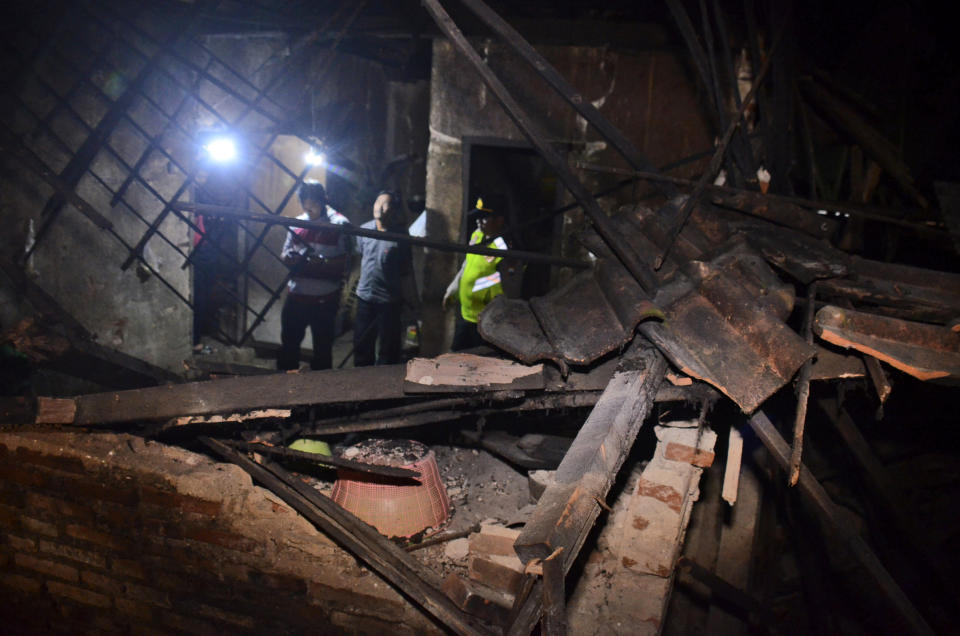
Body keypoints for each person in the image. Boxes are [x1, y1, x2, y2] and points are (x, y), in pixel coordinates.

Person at [277, 181, 350, 371]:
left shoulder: (339, 225)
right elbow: (284, 253)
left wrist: (324, 263)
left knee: (323, 349)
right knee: (289, 346)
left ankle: (320, 393)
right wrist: (290, 259)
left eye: (314, 206)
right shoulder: (298, 223)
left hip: (324, 301)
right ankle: (285, 389)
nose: (310, 211)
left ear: (323, 201)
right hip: (296, 296)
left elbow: (349, 262)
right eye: (306, 207)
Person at [352, 190, 415, 366]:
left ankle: (383, 385)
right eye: (377, 202)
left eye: (384, 203)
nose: (379, 207)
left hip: (389, 302)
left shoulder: (400, 236)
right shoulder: (363, 230)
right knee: (362, 345)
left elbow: (405, 269)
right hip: (365, 298)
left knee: (388, 349)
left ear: (393, 210)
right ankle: (361, 382)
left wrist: (408, 299)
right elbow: (360, 255)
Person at [443, 196, 509, 351]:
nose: (479, 222)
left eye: (484, 218)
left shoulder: (503, 248)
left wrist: (479, 290)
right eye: (478, 218)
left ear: (499, 220)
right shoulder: (477, 235)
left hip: (486, 320)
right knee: (457, 355)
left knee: (480, 360)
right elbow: (467, 265)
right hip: (466, 314)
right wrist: (452, 290)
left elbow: (508, 284)